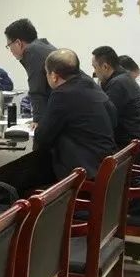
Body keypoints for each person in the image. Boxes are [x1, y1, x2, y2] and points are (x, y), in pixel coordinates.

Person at [35, 50, 117, 180]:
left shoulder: (62, 94)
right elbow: (113, 117)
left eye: (47, 73)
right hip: (107, 164)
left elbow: (42, 137)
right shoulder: (89, 83)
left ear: (54, 76)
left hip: (86, 173)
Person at [92, 46, 140, 165]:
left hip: (136, 147)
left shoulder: (118, 83)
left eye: (95, 67)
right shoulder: (123, 76)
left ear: (105, 66)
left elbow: (105, 118)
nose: (95, 72)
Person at [4, 18, 56, 125]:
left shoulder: (32, 51)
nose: (10, 50)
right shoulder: (42, 46)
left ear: (18, 43)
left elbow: (37, 90)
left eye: (9, 45)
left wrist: (38, 121)